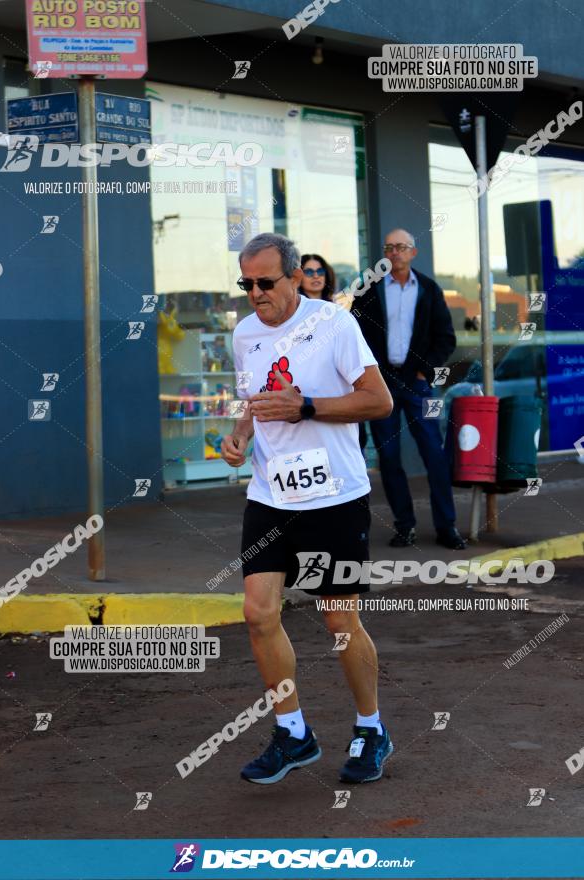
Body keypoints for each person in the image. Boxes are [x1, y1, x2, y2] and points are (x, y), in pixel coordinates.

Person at [220, 232, 395, 785]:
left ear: (295, 277)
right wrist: (240, 432)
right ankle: (293, 733)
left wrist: (309, 408)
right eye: (245, 283)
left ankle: (371, 727)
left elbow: (378, 400)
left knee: (339, 618)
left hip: (333, 495)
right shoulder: (244, 333)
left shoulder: (335, 324)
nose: (255, 294)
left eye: (265, 283)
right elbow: (256, 399)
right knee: (258, 613)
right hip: (271, 493)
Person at [354, 228, 466, 551]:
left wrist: (423, 371)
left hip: (418, 387)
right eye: (389, 247)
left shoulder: (429, 289)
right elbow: (355, 335)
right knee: (388, 458)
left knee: (434, 453)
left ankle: (447, 527)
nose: (395, 253)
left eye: (401, 247)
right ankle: (405, 526)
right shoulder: (368, 290)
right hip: (382, 386)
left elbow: (447, 338)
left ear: (413, 253)